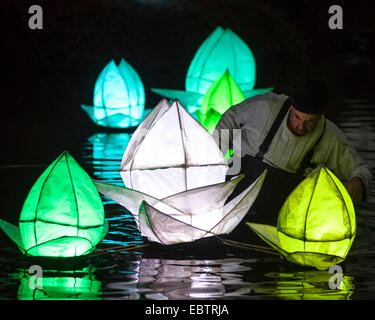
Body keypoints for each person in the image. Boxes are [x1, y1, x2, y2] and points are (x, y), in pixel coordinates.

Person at [215, 78, 372, 229]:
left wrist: (358, 181)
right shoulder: (265, 106)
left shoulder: (329, 137)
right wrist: (215, 159)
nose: (301, 126)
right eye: (297, 117)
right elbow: (230, 118)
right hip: (230, 197)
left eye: (310, 121)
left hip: (277, 220)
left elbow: (361, 170)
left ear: (321, 116)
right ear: (291, 107)